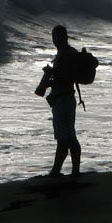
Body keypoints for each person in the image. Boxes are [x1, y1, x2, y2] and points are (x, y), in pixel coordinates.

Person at [34, 24, 82, 177]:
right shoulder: (62, 53)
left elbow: (68, 78)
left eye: (58, 37)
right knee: (66, 136)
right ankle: (66, 170)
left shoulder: (68, 54)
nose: (55, 40)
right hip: (60, 99)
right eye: (54, 37)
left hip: (65, 99)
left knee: (67, 137)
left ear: (65, 37)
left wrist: (50, 79)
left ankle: (62, 171)